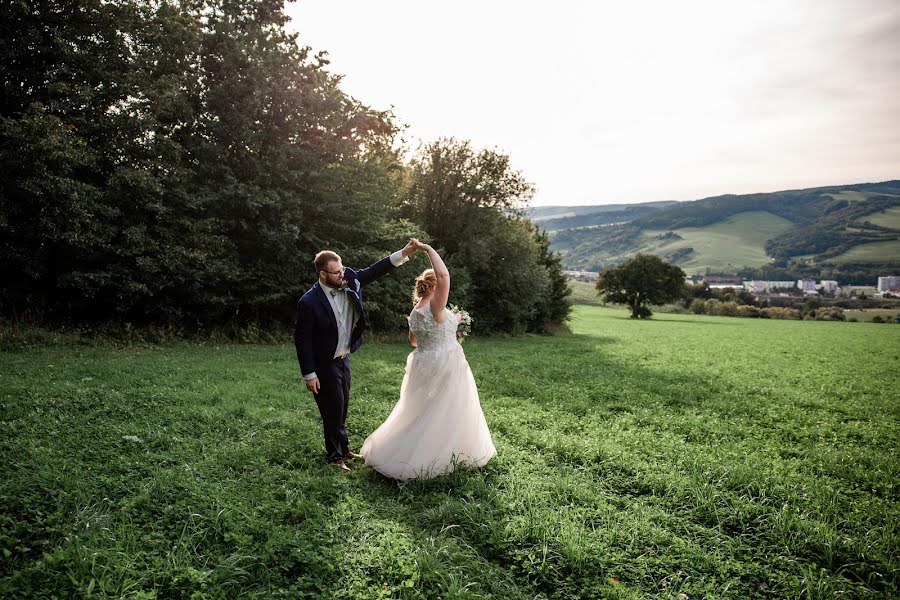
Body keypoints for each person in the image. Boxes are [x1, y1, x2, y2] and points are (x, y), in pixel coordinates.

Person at [360, 241, 496, 480]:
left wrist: (447, 324)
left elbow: (413, 341)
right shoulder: (435, 307)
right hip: (446, 361)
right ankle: (443, 454)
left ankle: (398, 448)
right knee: (449, 408)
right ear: (434, 287)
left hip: (423, 362)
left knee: (420, 411)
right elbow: (445, 274)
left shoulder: (415, 313)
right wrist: (427, 249)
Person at [294, 240, 418, 471]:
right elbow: (303, 341)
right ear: (322, 274)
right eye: (336, 272)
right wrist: (310, 374)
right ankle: (334, 457)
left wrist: (404, 253)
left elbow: (375, 269)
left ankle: (344, 448)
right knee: (332, 408)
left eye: (342, 269)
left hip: (343, 358)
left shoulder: (349, 279)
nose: (342, 274)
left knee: (343, 405)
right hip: (324, 362)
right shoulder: (308, 303)